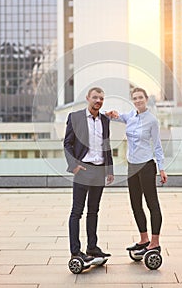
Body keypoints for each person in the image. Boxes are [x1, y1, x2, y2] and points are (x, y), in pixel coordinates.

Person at [106, 87, 167, 256]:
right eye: (135, 98)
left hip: (146, 166)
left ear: (146, 99)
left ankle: (155, 243)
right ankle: (144, 239)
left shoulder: (152, 121)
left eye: (141, 97)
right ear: (132, 100)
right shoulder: (130, 116)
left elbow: (157, 146)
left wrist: (162, 168)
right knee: (135, 204)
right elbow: (116, 116)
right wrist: (107, 112)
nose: (138, 100)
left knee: (152, 204)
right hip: (132, 166)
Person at [64, 87, 114, 265]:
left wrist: (109, 169)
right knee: (77, 211)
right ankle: (75, 252)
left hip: (99, 170)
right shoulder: (75, 117)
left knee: (94, 211)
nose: (98, 101)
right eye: (95, 97)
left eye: (101, 98)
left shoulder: (105, 120)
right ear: (88, 98)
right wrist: (74, 165)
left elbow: (106, 145)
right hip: (83, 170)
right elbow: (67, 143)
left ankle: (92, 247)